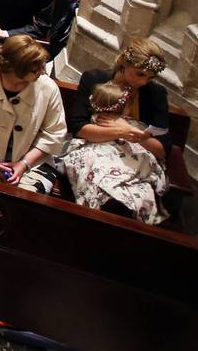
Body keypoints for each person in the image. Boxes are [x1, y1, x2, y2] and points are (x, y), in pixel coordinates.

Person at [61, 44, 171, 223]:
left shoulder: (156, 93)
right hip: (93, 147)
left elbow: (161, 149)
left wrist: (132, 132)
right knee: (100, 182)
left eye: (150, 77)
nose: (143, 82)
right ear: (123, 64)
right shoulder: (94, 79)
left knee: (138, 196)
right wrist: (120, 130)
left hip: (137, 155)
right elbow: (79, 128)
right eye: (140, 74)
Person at [0, 35, 68, 193]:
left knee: (23, 200)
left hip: (34, 162)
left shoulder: (48, 88)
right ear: (17, 69)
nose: (42, 71)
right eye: (35, 69)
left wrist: (24, 163)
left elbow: (55, 133)